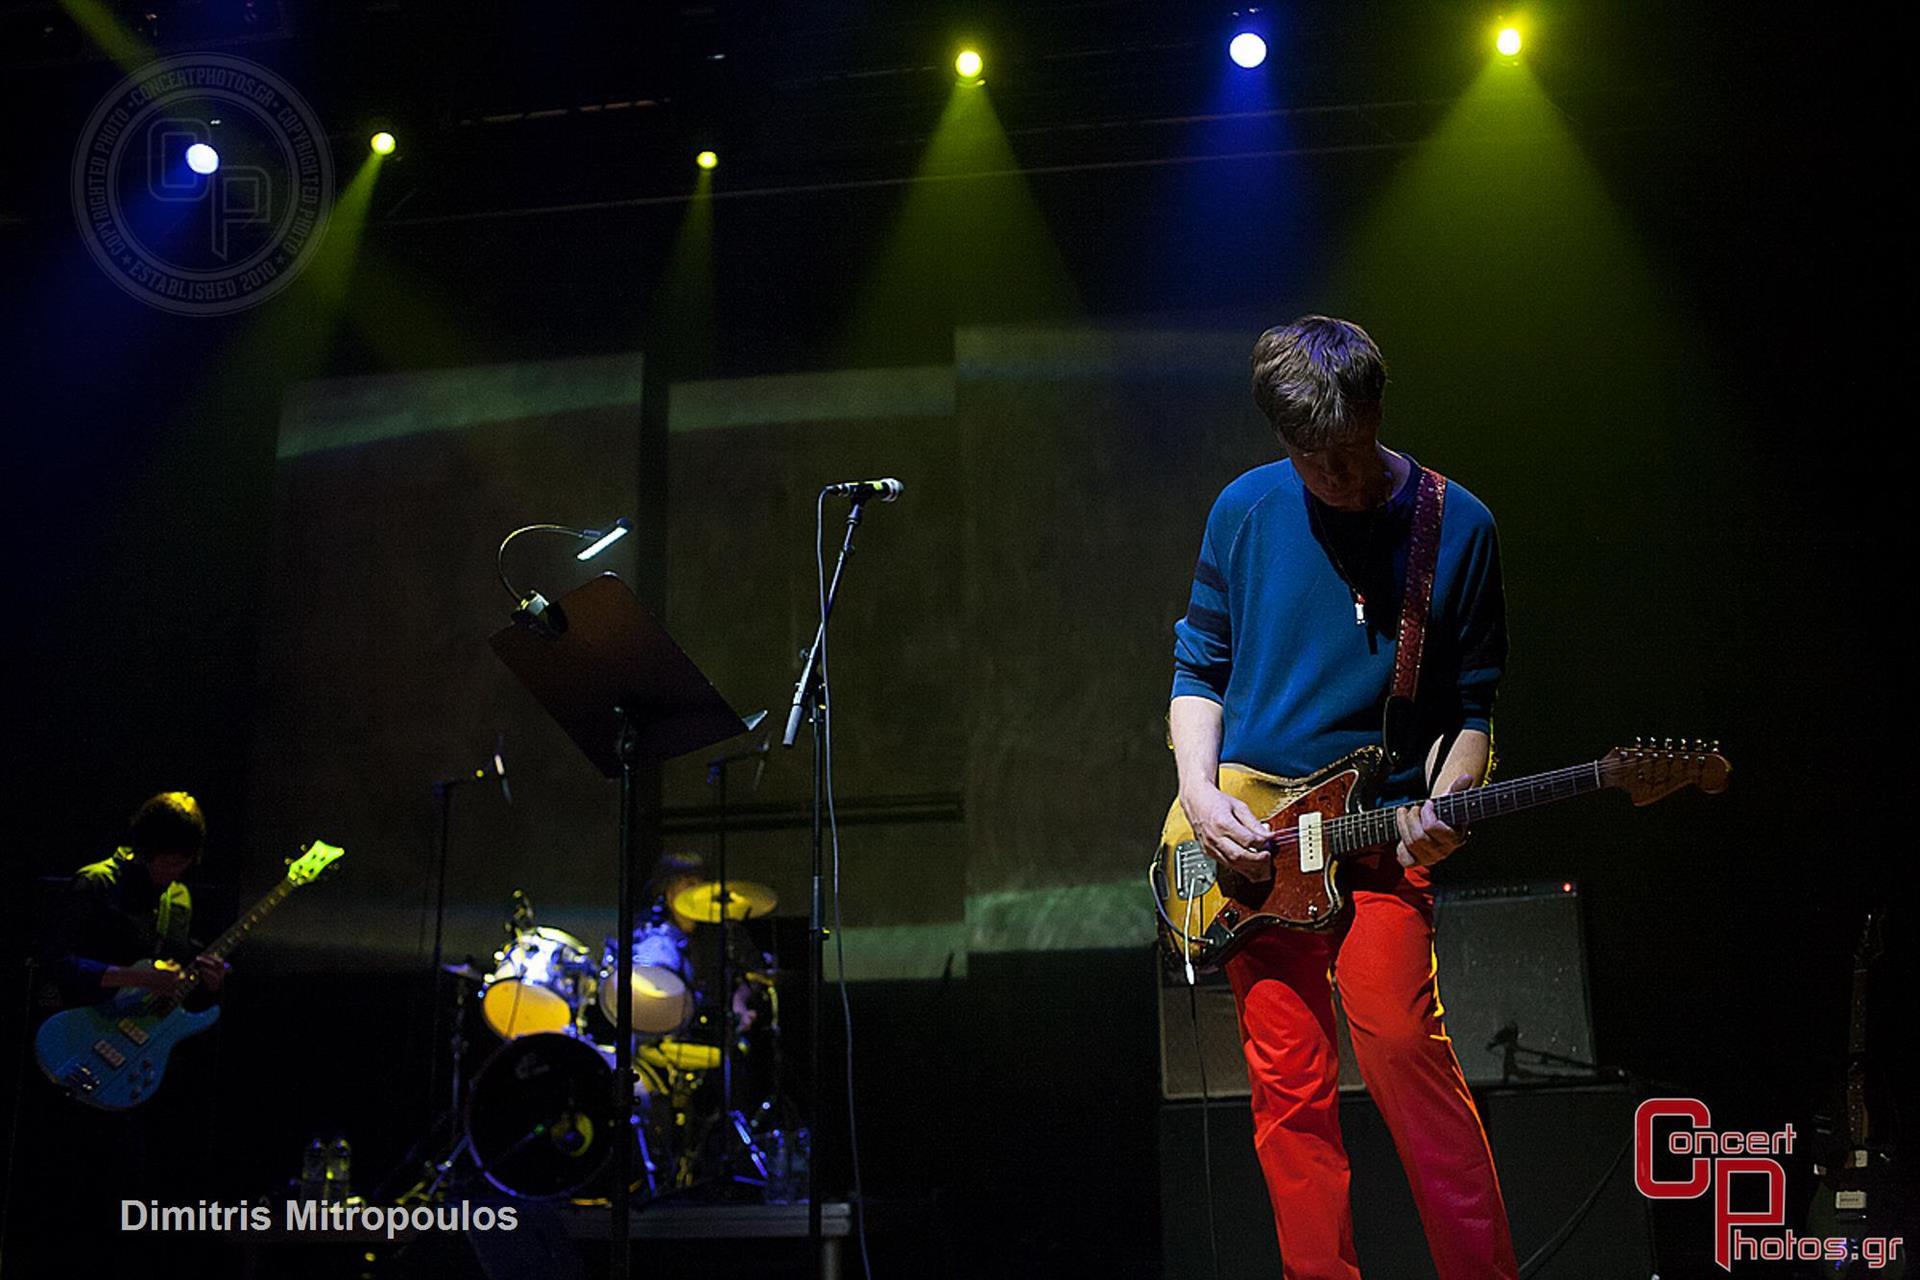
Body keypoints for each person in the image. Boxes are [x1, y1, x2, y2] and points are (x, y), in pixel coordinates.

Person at [1169, 316, 1517, 1278]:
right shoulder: (1243, 509)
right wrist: (1199, 794)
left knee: (1406, 1047)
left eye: (1354, 450)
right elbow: (1198, 667)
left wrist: (1449, 803)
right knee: (1290, 1091)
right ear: (1283, 442)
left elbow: (1472, 710)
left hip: (1376, 842)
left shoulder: (1460, 526)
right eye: (1316, 460)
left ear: (1376, 413)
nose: (1342, 477)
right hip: (1257, 849)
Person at [38, 789, 228, 1011]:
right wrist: (136, 978)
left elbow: (174, 992)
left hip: (139, 1035)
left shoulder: (179, 899)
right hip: (82, 1025)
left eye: (184, 863)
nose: (176, 872)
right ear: (145, 852)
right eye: (170, 863)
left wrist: (206, 984)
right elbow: (55, 962)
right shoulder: (96, 882)